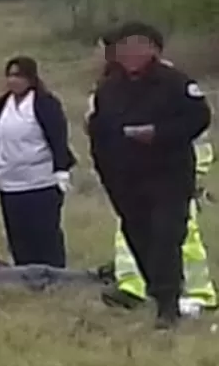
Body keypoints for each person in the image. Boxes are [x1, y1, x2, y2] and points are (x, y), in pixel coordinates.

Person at [86, 20, 212, 328]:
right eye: (125, 48)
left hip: (168, 174)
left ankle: (168, 307)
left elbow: (199, 118)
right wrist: (106, 173)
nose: (132, 53)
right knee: (139, 237)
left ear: (154, 49)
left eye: (139, 46)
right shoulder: (109, 89)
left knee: (167, 236)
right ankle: (160, 294)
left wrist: (158, 134)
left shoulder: (175, 82)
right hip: (125, 180)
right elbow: (99, 133)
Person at [0, 55, 74, 267]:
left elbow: (57, 136)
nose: (13, 81)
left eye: (18, 76)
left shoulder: (44, 103)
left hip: (41, 181)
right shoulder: (2, 104)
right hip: (10, 183)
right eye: (10, 76)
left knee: (44, 231)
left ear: (30, 78)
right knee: (17, 233)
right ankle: (24, 271)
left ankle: (53, 271)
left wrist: (61, 170)